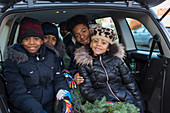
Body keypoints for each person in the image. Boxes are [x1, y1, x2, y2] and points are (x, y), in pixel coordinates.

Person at [4, 17, 72, 113]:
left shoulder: (51, 55)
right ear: (21, 41)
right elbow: (17, 93)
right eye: (27, 39)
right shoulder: (13, 61)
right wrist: (38, 110)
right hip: (26, 109)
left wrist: (63, 94)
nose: (32, 43)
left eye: (36, 39)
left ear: (41, 41)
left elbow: (59, 78)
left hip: (50, 107)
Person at [74, 27, 146, 112]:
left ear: (108, 47)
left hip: (126, 99)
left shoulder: (117, 61)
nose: (98, 45)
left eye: (103, 42)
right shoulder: (84, 64)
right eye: (95, 41)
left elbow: (130, 83)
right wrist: (107, 102)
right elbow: (87, 90)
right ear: (91, 43)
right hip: (102, 104)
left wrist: (140, 105)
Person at [42, 22, 76, 89]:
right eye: (46, 37)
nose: (50, 41)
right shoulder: (37, 54)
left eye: (53, 39)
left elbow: (61, 70)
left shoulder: (59, 54)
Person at [66, 15, 91, 85]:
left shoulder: (102, 45)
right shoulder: (75, 51)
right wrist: (75, 75)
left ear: (90, 30)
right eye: (77, 35)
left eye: (84, 31)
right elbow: (71, 68)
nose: (82, 37)